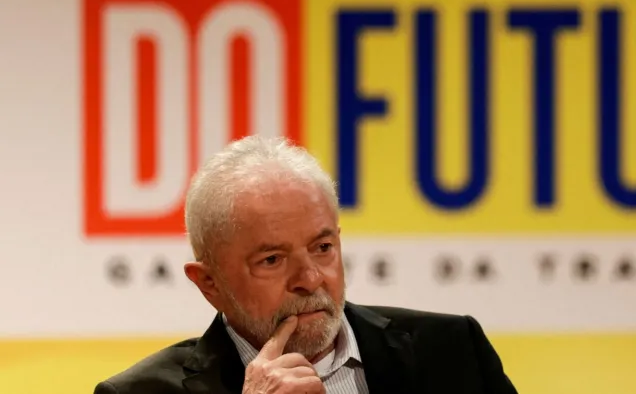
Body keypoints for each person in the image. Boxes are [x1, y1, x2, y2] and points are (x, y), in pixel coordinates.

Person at [94, 135, 518, 394]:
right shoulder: (140, 392)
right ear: (209, 283)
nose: (311, 278)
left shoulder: (452, 351)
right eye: (272, 259)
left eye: (322, 248)